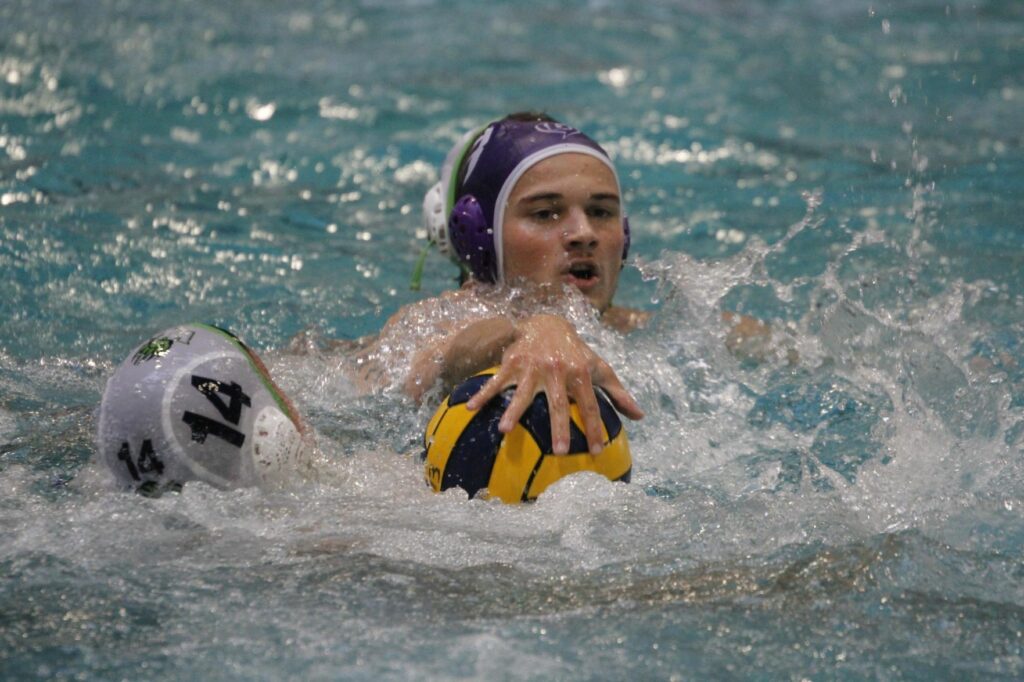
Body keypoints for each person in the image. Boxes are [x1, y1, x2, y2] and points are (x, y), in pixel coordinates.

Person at [348, 112, 648, 457]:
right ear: (478, 237)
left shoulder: (633, 328)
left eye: (601, 212)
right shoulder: (434, 322)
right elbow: (446, 354)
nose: (584, 233)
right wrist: (529, 332)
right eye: (545, 213)